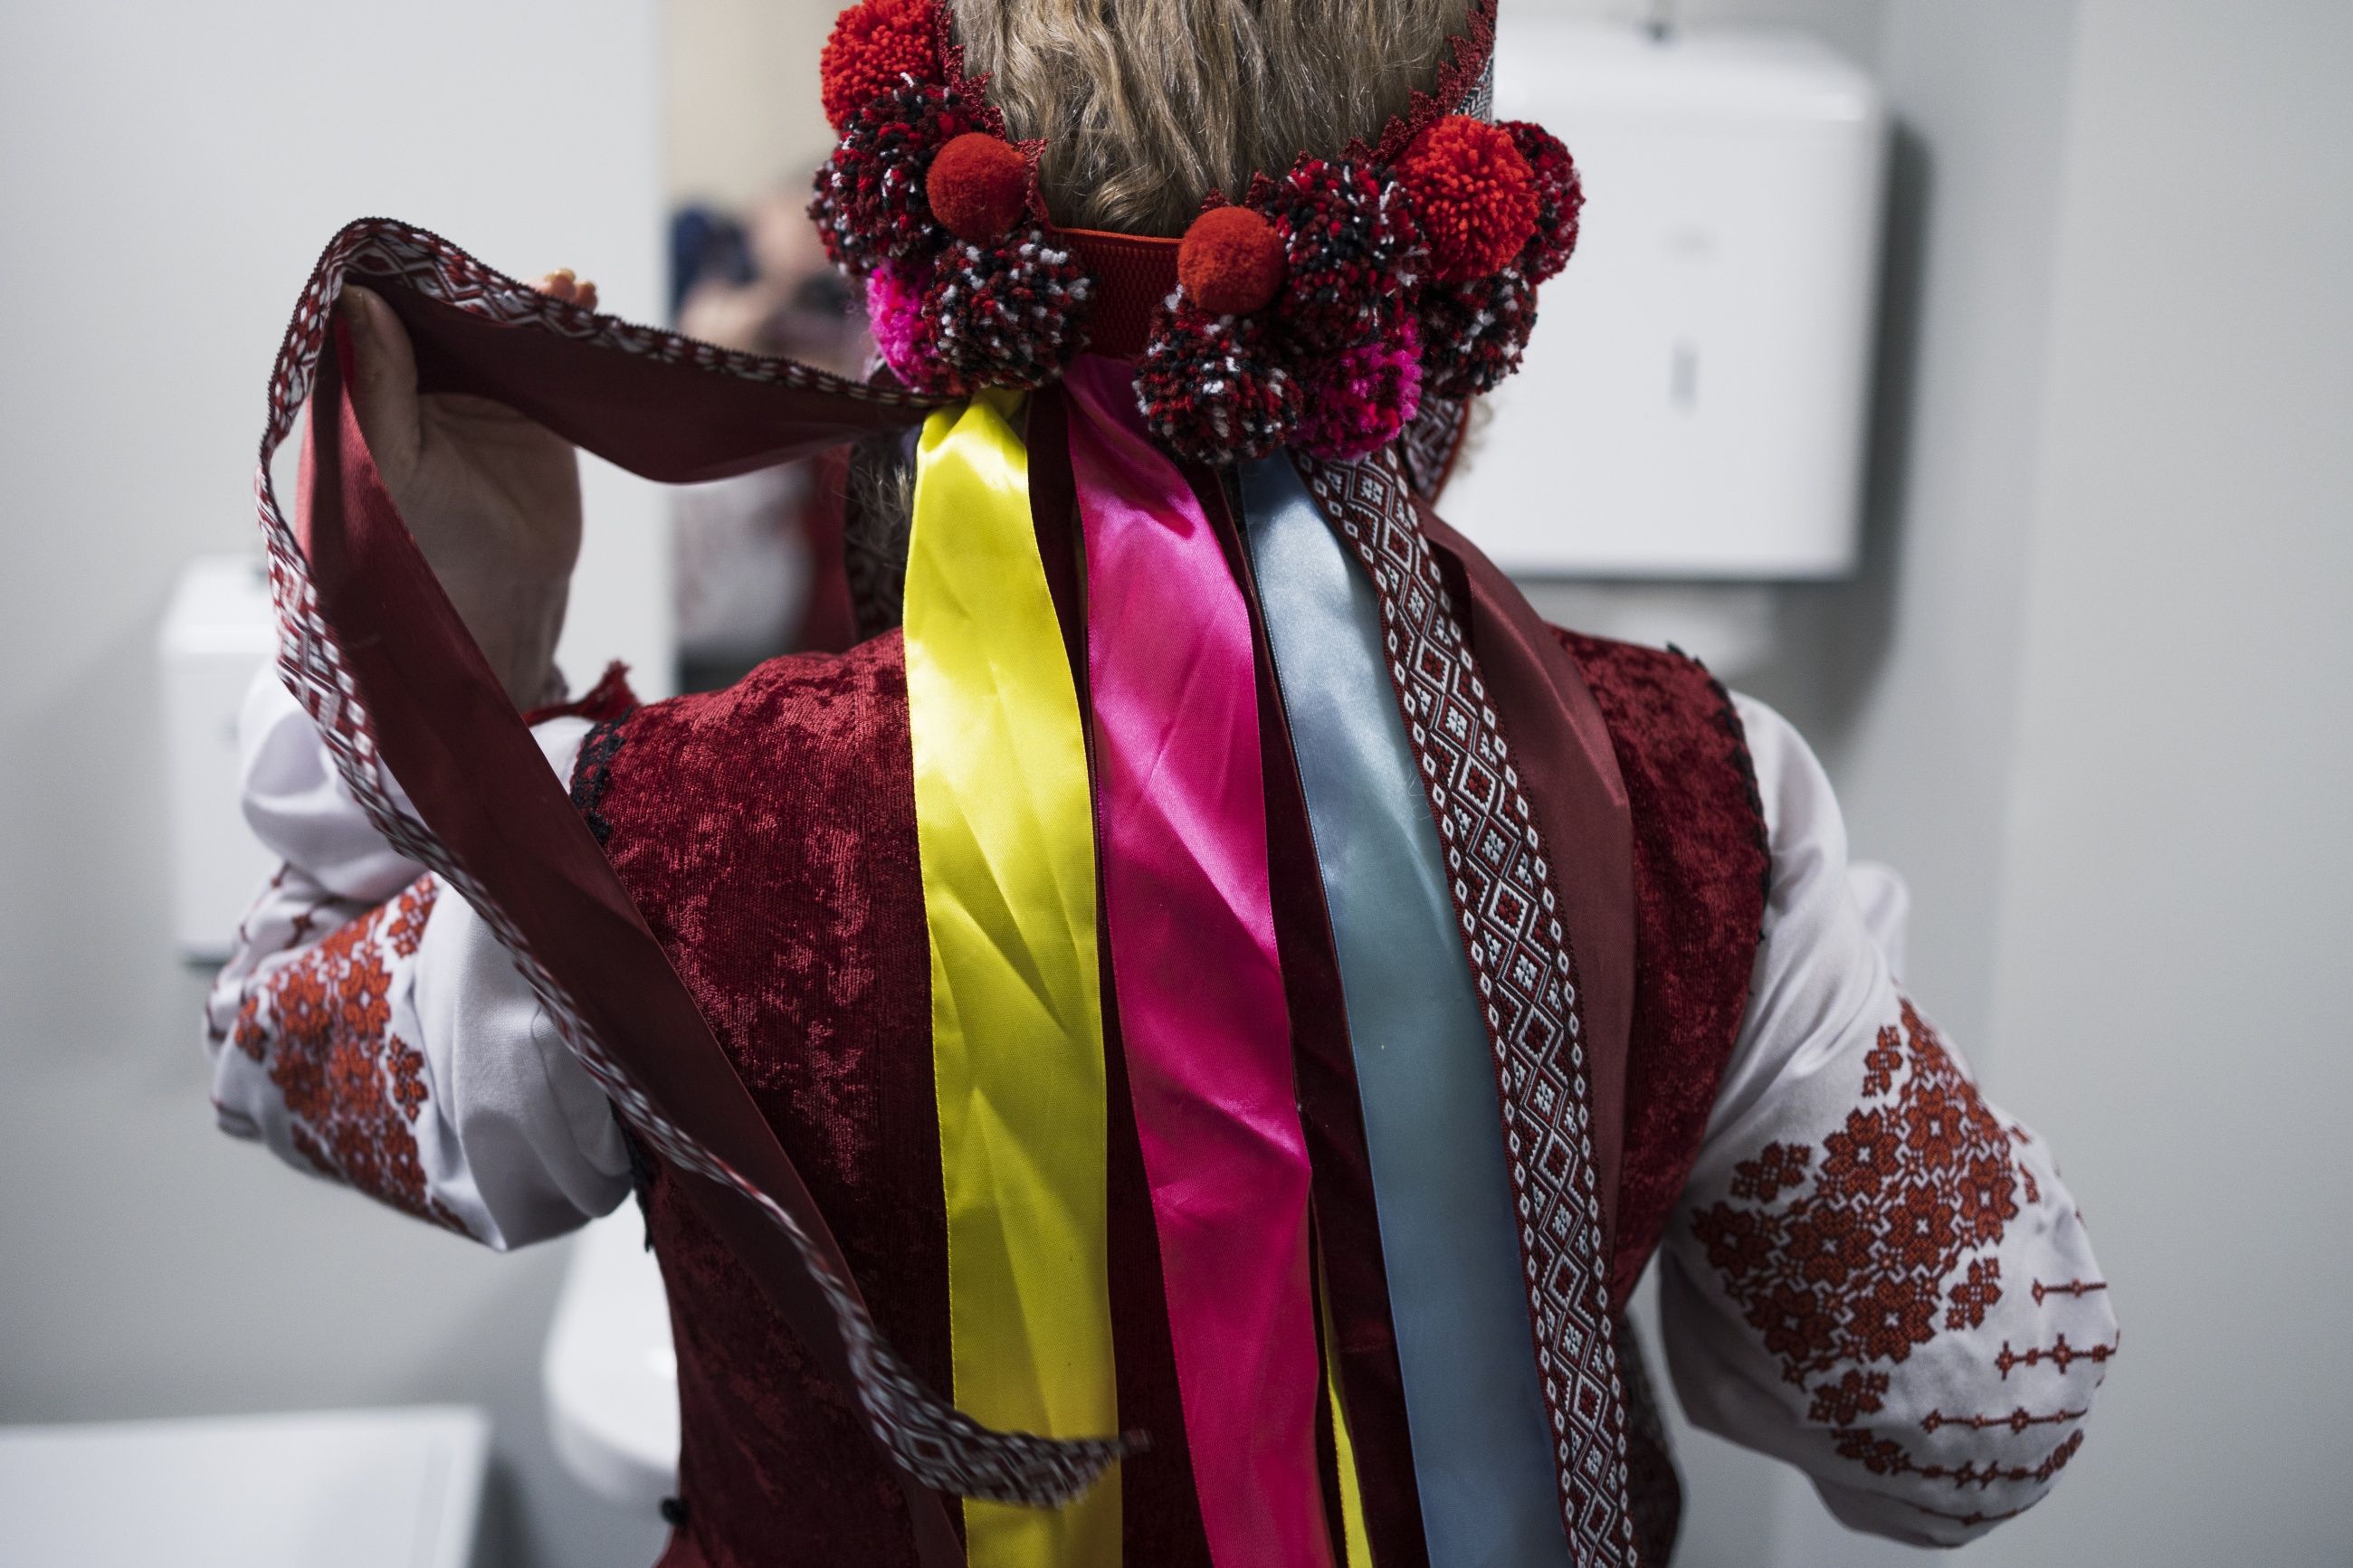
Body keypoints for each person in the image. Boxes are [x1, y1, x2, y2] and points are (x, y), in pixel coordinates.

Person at [205, 2, 2115, 1564]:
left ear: (922, 253)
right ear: (1456, 284)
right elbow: (1969, 1430)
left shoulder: (668, 840)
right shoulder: (1697, 796)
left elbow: (282, 1042)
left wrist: (465, 620)